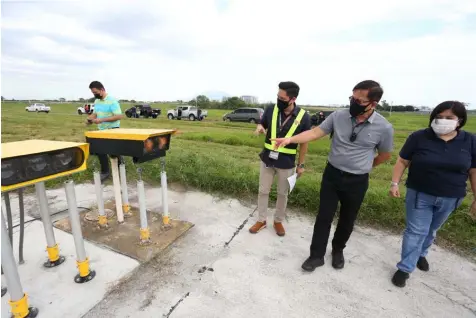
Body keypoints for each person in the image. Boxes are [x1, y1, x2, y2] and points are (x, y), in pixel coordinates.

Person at [272, 80, 394, 271]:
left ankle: (338, 250)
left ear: (374, 103)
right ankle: (316, 256)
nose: (354, 103)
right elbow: (314, 133)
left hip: (357, 180)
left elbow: (385, 155)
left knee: (347, 219)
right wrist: (289, 139)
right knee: (323, 216)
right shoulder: (339, 116)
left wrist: (364, 166)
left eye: (359, 101)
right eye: (352, 98)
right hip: (332, 175)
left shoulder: (384, 127)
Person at [389, 101, 476, 287]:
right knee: (416, 230)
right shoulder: (419, 137)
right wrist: (394, 183)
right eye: (439, 117)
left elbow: (473, 171)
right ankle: (405, 268)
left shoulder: (470, 141)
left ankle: (421, 254)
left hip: (451, 196)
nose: (443, 121)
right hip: (420, 193)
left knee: (431, 229)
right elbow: (403, 161)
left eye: (449, 118)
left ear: (459, 121)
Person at [249, 81, 311, 236]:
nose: (278, 100)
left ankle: (278, 221)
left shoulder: (304, 117)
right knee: (263, 191)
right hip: (267, 159)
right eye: (277, 96)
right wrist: (259, 128)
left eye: (282, 98)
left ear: (292, 99)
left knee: (283, 194)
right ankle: (261, 220)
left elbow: (304, 143)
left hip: (286, 162)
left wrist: (301, 164)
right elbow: (261, 124)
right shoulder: (271, 109)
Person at [86, 81, 123, 181]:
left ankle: (121, 170)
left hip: (113, 130)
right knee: (100, 151)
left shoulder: (112, 101)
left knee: (114, 152)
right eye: (93, 93)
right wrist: (90, 119)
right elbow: (95, 113)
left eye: (95, 92)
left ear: (102, 90)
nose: (94, 94)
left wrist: (101, 120)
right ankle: (105, 172)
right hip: (101, 130)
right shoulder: (97, 101)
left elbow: (119, 116)